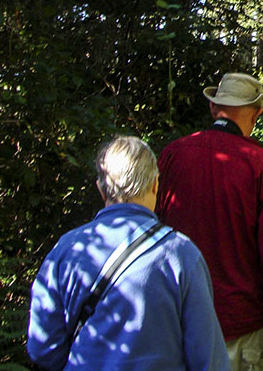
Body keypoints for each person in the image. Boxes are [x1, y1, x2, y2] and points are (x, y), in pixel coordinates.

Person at [27, 136, 230, 371]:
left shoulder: (66, 251)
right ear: (155, 184)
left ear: (101, 189)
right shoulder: (181, 254)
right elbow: (208, 357)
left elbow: (42, 350)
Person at [157, 73, 263, 371]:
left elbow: (153, 231)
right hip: (239, 327)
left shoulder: (173, 155)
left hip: (177, 324)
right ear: (257, 112)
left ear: (214, 108)